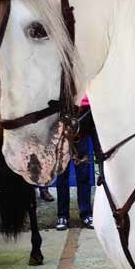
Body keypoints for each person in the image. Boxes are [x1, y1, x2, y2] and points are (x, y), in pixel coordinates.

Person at [55, 98, 94, 231]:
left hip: (81, 123)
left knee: (83, 173)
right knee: (62, 175)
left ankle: (86, 213)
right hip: (62, 125)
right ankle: (62, 215)